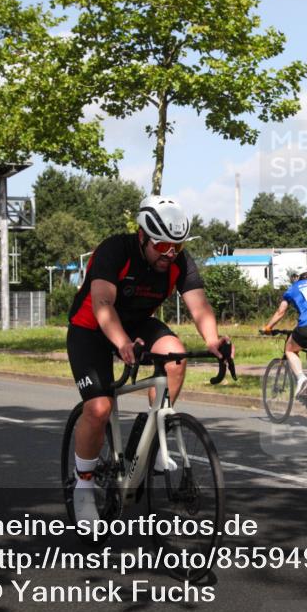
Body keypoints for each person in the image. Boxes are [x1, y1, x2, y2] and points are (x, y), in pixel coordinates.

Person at [66, 195, 232, 522]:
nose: (170, 254)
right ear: (142, 236)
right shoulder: (115, 250)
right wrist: (122, 343)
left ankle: (155, 435)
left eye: (177, 247)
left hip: (138, 323)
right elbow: (102, 304)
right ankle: (83, 483)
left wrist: (213, 340)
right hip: (92, 328)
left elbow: (199, 306)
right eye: (162, 246)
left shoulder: (178, 262)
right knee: (99, 408)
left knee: (175, 356)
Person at [261, 265, 307, 398]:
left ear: (296, 277)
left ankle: (302, 379)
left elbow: (281, 312)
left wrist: (268, 328)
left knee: (290, 350)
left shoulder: (293, 288)